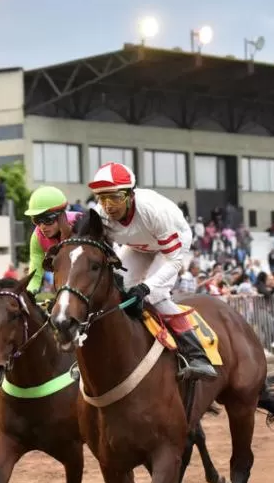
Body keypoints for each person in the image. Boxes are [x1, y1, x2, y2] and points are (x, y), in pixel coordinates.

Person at [87, 162, 217, 380]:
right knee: (120, 288)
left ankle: (198, 356)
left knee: (155, 295)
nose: (108, 205)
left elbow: (174, 261)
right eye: (102, 197)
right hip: (138, 246)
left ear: (130, 194)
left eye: (115, 197)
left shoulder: (152, 211)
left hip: (171, 247)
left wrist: (146, 287)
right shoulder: (101, 215)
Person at [24, 186, 81, 294]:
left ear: (62, 216)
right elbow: (35, 275)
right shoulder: (37, 237)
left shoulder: (80, 221)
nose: (42, 227)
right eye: (37, 221)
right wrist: (28, 296)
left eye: (47, 220)